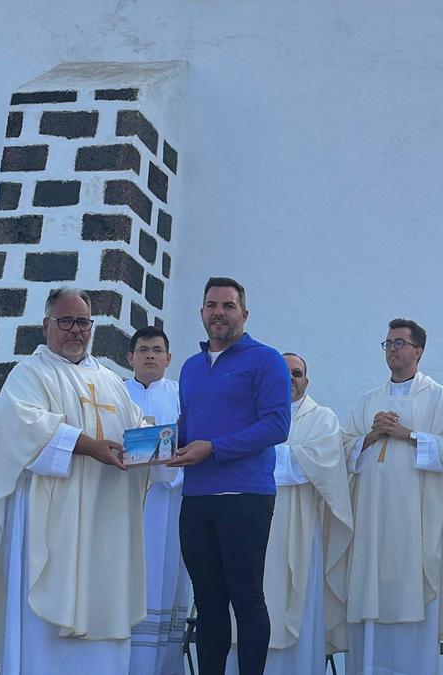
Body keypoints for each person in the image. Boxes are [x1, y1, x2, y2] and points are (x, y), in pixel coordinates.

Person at [0, 287, 153, 673]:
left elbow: (136, 430)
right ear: (46, 325)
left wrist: (162, 444)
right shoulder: (30, 374)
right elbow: (26, 428)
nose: (76, 330)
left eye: (83, 322)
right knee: (45, 618)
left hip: (105, 520)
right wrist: (89, 447)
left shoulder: (112, 382)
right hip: (51, 520)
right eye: (66, 321)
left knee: (103, 605)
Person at [341, 318, 443, 675]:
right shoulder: (368, 402)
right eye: (388, 344)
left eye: (399, 343)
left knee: (413, 605)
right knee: (368, 606)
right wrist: (370, 437)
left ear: (418, 351)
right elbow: (342, 452)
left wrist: (407, 434)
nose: (392, 350)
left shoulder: (439, 399)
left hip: (417, 528)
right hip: (370, 528)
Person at [168, 277, 292, 675]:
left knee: (247, 598)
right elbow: (188, 426)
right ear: (202, 312)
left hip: (245, 496)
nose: (218, 312)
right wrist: (158, 444)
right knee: (207, 603)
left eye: (228, 305)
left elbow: (277, 425)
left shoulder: (265, 359)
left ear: (244, 313)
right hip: (196, 497)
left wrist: (214, 448)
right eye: (211, 305)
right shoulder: (190, 367)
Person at [226, 352, 354, 673]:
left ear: (306, 381)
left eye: (297, 374)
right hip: (247, 524)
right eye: (283, 373)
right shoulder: (248, 414)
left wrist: (260, 454)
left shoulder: (322, 419)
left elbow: (320, 466)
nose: (290, 379)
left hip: (298, 531)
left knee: (296, 605)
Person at [126, 326, 191, 675]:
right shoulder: (116, 392)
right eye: (143, 349)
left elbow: (192, 440)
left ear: (168, 359)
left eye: (157, 350)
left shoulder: (183, 396)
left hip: (168, 504)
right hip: (124, 503)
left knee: (164, 578)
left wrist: (167, 466)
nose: (150, 355)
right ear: (130, 357)